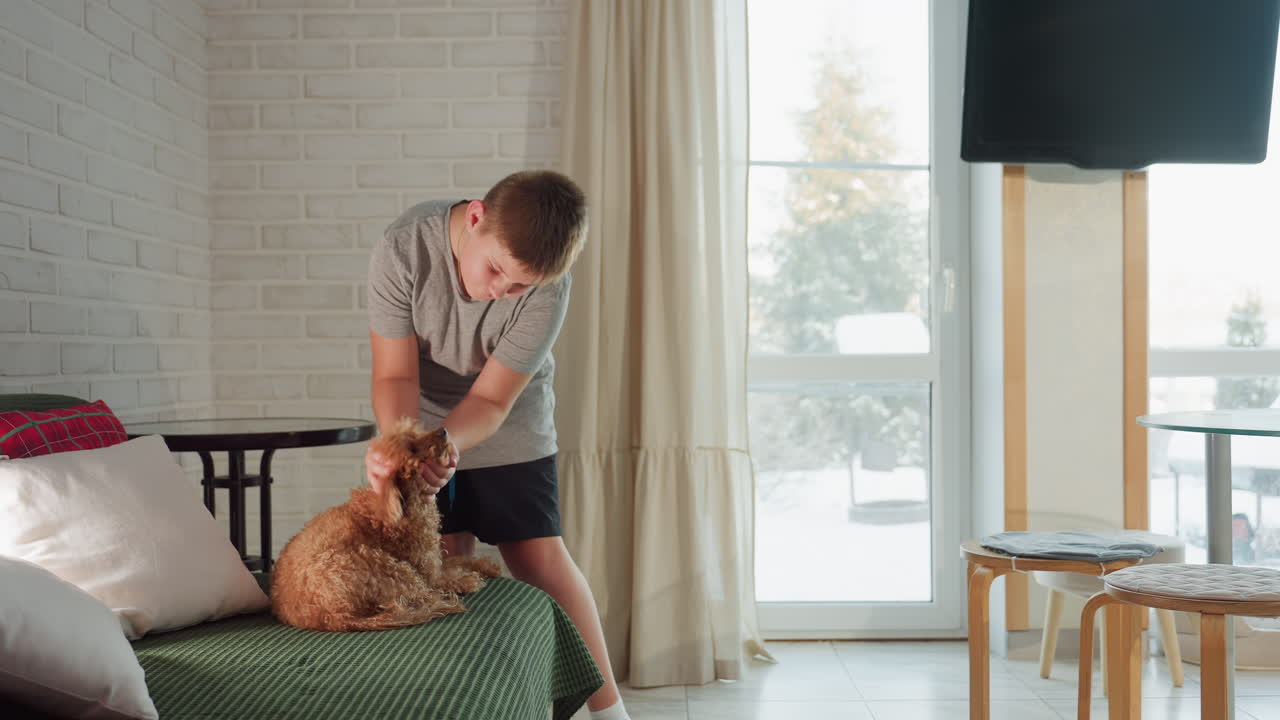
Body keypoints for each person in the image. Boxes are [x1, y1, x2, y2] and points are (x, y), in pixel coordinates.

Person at [363, 170, 629, 720]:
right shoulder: (403, 248)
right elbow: (394, 377)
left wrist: (444, 445)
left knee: (539, 560)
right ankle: (455, 704)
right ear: (477, 216)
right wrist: (401, 448)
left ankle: (609, 714)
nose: (499, 294)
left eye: (518, 289)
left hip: (508, 419)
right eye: (496, 272)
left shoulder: (550, 284)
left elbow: (490, 403)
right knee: (437, 561)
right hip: (420, 416)